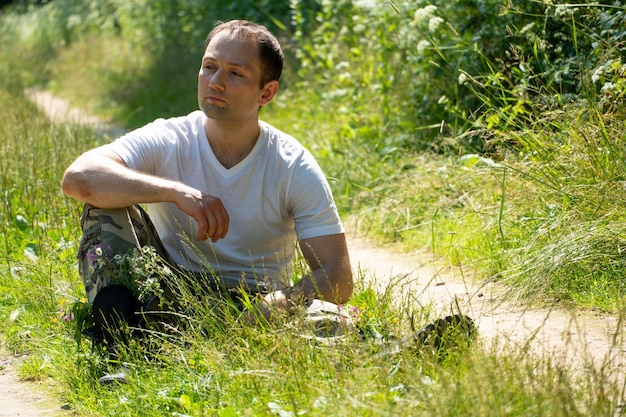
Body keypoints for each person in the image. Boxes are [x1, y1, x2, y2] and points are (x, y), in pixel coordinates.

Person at [61, 20, 353, 345]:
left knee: (336, 324)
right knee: (106, 208)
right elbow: (79, 178)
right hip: (167, 293)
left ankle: (397, 350)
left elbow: (338, 276)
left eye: (235, 73)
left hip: (254, 307)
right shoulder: (170, 137)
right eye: (209, 67)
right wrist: (175, 192)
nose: (215, 82)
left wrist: (279, 303)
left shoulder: (291, 164)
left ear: (266, 92)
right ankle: (121, 341)